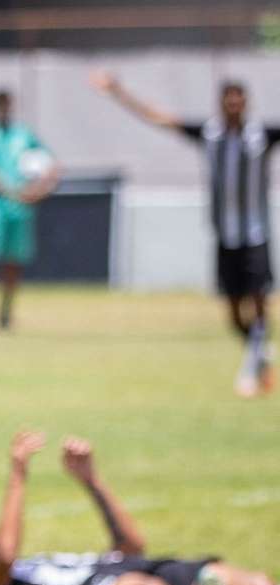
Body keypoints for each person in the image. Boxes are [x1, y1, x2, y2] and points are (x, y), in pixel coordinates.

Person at [0, 432, 277, 585]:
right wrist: (18, 473)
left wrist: (91, 480)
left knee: (244, 584)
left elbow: (132, 546)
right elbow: (6, 553)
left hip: (118, 567)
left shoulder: (34, 563)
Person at [92, 71, 278, 396]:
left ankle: (253, 365)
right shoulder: (210, 134)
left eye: (239, 98)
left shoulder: (260, 135)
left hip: (255, 233)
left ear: (246, 102)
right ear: (222, 103)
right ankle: (259, 352)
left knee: (260, 301)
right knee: (234, 313)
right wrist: (119, 92)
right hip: (225, 235)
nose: (234, 104)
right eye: (228, 98)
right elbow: (160, 119)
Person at [0, 88, 60, 332]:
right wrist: (10, 192)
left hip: (20, 210)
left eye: (6, 103)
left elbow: (50, 165)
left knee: (14, 262)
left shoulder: (24, 135)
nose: (2, 108)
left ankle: (5, 315)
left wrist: (40, 188)